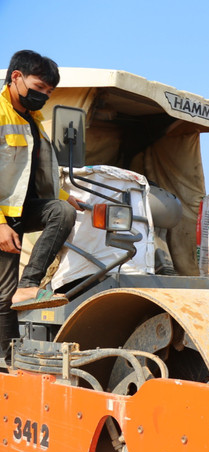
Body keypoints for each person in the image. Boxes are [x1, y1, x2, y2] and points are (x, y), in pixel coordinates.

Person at [0, 50, 79, 356]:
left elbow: (37, 171)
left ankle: (29, 283)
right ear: (16, 77)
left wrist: (64, 196)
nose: (43, 95)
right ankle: (5, 365)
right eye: (40, 87)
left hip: (21, 209)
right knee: (2, 297)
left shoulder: (34, 120)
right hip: (3, 217)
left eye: (49, 91)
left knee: (63, 212)